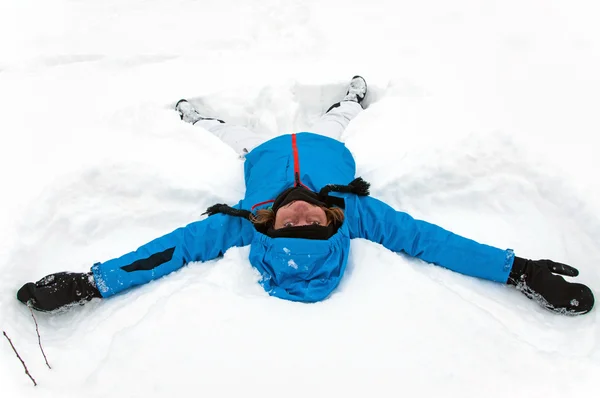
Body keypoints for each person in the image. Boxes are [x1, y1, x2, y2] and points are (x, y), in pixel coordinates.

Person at [16, 76, 595, 316]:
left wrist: (91, 283)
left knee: (223, 133)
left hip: (259, 150)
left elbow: (166, 251)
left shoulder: (244, 222)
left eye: (287, 225)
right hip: (325, 143)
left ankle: (194, 115)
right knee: (341, 117)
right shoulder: (358, 212)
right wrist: (517, 269)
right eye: (311, 224)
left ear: (268, 232)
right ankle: (351, 97)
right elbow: (435, 243)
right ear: (333, 229)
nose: (298, 213)